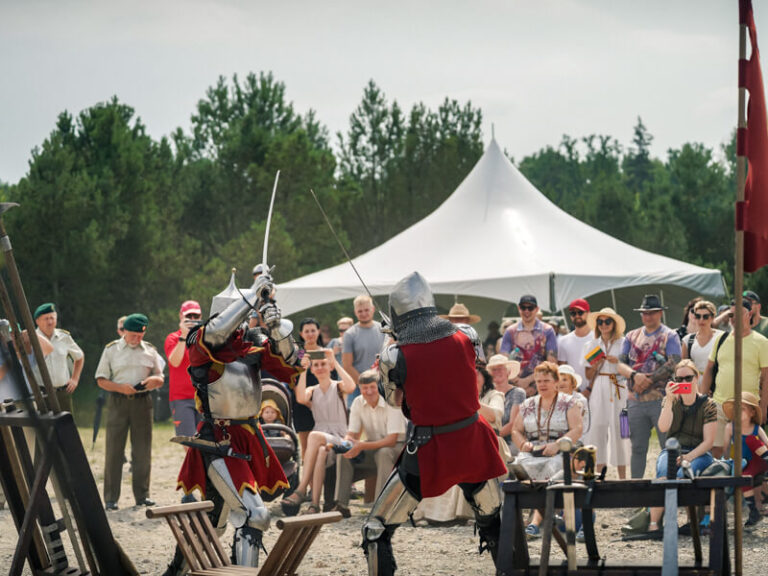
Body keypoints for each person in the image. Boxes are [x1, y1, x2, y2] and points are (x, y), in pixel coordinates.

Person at [363, 272, 507, 575]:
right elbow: (467, 369)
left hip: (428, 449)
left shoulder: (394, 354)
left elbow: (394, 400)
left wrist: (396, 350)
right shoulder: (467, 333)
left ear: (396, 312)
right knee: (494, 520)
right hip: (472, 441)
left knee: (376, 528)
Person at [169, 268, 302, 571]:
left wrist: (277, 325)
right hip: (218, 441)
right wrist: (254, 292)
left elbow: (290, 364)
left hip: (248, 438)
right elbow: (215, 332)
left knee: (213, 524)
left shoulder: (249, 347)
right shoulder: (201, 344)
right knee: (254, 516)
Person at [95, 313, 164, 511]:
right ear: (124, 331)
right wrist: (120, 388)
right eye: (133, 335)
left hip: (143, 403)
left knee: (142, 451)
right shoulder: (111, 350)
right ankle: (110, 498)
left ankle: (142, 495)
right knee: (114, 450)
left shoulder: (150, 350)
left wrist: (155, 381)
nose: (136, 339)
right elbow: (100, 380)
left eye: (140, 335)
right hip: (118, 401)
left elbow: (160, 376)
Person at [510, 361, 583, 538]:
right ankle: (521, 522)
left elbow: (577, 428)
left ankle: (541, 520)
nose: (542, 384)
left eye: (546, 380)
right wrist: (522, 444)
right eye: (539, 381)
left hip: (559, 451)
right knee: (518, 468)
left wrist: (557, 444)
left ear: (556, 382)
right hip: (532, 451)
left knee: (554, 470)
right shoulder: (528, 404)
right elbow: (516, 430)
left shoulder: (569, 402)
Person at [282, 348, 355, 515]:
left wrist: (334, 361)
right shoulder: (312, 390)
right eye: (316, 365)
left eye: (323, 364)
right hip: (322, 440)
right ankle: (315, 504)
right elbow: (300, 398)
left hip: (342, 439)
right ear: (313, 369)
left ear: (329, 367)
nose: (320, 367)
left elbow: (351, 386)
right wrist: (303, 369)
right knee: (321, 451)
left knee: (314, 437)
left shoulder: (338, 387)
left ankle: (301, 489)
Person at [647, 360, 717, 532]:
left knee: (685, 474)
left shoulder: (708, 404)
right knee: (663, 474)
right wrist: (669, 401)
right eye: (679, 379)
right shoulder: (670, 400)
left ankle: (690, 520)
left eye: (688, 378)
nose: (684, 382)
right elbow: (663, 428)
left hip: (698, 452)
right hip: (672, 450)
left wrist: (688, 457)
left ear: (697, 378)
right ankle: (654, 524)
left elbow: (708, 442)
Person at [617, 294, 681, 479]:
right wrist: (635, 376)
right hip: (635, 400)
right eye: (645, 313)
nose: (648, 316)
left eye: (652, 313)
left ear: (660, 313)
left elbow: (674, 362)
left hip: (661, 400)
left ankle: (670, 486)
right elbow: (620, 364)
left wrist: (649, 380)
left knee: (667, 446)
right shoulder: (630, 336)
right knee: (637, 447)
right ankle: (636, 488)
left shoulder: (670, 335)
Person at [333, 369, 406, 518]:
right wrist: (348, 444)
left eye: (373, 387)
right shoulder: (358, 402)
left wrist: (360, 445)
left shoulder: (392, 402)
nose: (369, 391)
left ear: (379, 386)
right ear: (360, 389)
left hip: (398, 448)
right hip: (373, 446)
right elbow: (352, 433)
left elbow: (391, 440)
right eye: (365, 388)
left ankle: (381, 506)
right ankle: (341, 505)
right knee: (344, 454)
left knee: (384, 453)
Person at [701, 298, 768, 458]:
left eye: (738, 314)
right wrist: (702, 400)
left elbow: (766, 378)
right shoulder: (720, 339)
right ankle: (719, 483)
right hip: (719, 404)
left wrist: (764, 408)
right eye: (731, 315)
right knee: (716, 450)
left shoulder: (761, 342)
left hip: (747, 407)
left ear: (749, 314)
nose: (733, 318)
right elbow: (709, 369)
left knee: (747, 452)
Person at [582, 307, 629, 479]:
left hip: (619, 384)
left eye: (607, 321)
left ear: (614, 323)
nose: (603, 325)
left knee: (620, 428)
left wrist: (618, 362)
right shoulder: (591, 345)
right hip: (600, 384)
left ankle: (623, 477)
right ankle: (598, 474)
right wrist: (596, 364)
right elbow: (588, 375)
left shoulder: (624, 343)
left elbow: (631, 368)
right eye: (600, 321)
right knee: (598, 427)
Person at [722, 391, 768, 526]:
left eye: (742, 409)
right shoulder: (730, 427)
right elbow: (725, 448)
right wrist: (725, 464)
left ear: (752, 413)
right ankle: (754, 511)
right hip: (746, 463)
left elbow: (766, 442)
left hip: (761, 459)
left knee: (751, 440)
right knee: (744, 477)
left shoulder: (756, 428)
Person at [499, 295, 558, 396]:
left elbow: (551, 364)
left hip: (541, 388)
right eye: (523, 307)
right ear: (519, 308)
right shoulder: (510, 332)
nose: (527, 311)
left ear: (537, 309)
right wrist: (517, 381)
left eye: (530, 308)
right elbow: (503, 361)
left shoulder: (547, 330)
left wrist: (527, 381)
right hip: (514, 387)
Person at [33, 302, 84, 414]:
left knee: (66, 428)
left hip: (62, 393)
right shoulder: (31, 339)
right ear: (37, 321)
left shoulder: (64, 337)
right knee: (44, 430)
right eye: (46, 318)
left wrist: (75, 379)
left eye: (52, 318)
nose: (50, 322)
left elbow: (79, 357)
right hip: (41, 394)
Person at [165, 300, 203, 438]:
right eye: (189, 316)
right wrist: (183, 336)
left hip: (203, 397)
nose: (192, 320)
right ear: (181, 316)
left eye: (196, 316)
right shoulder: (173, 338)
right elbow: (175, 362)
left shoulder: (204, 337)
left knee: (206, 442)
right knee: (188, 442)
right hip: (181, 398)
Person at [343, 295, 387, 407]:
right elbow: (347, 365)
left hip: (382, 386)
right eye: (360, 311)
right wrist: (365, 385)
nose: (363, 313)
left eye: (366, 310)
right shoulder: (349, 334)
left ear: (373, 309)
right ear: (355, 312)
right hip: (358, 388)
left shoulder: (383, 330)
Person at [681, 300, 724, 389]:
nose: (701, 320)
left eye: (705, 316)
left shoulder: (722, 337)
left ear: (712, 317)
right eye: (698, 316)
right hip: (694, 386)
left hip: (718, 385)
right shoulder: (688, 340)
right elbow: (683, 369)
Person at [487, 354, 524, 455]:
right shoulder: (486, 393)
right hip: (487, 441)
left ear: (508, 372)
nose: (497, 372)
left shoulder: (518, 393)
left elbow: (513, 424)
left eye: (500, 369)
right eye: (493, 369)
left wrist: (490, 439)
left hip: (510, 443)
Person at [557, 298, 592, 390]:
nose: (577, 316)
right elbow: (562, 370)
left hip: (596, 392)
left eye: (580, 312)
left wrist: (589, 390)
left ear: (589, 313)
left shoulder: (598, 339)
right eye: (573, 313)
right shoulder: (563, 341)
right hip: (573, 393)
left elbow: (600, 368)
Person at [557, 364, 589, 438]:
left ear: (572, 382)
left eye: (565, 379)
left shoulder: (580, 400)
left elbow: (582, 426)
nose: (561, 383)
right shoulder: (552, 399)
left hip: (578, 438)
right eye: (558, 380)